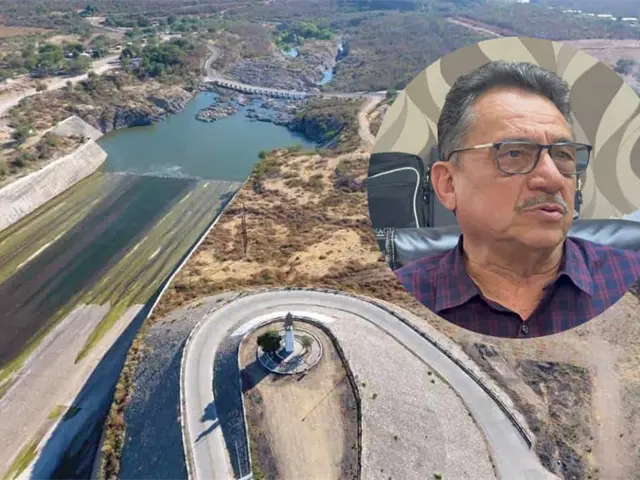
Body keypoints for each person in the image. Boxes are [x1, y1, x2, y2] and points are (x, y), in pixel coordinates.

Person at [395, 60, 640, 338]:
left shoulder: (628, 279)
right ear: (448, 185)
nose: (553, 179)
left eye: (563, 155)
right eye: (514, 153)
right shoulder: (399, 304)